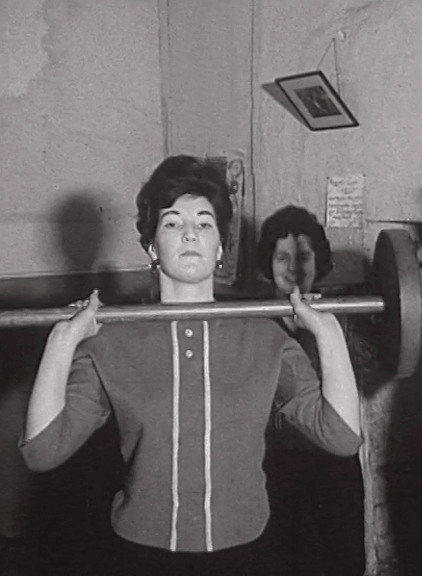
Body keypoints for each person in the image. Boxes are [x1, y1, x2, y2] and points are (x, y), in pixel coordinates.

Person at [19, 156, 362, 576]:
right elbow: (42, 452)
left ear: (219, 247)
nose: (189, 233)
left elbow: (341, 438)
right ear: (151, 246)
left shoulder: (266, 338)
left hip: (247, 555)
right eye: (171, 223)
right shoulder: (111, 342)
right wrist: (62, 340)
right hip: (139, 557)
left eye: (204, 223)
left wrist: (328, 333)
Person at [256, 205, 367, 576]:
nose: (293, 268)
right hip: (270, 465)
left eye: (304, 257)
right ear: (268, 262)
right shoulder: (250, 322)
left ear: (319, 262)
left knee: (341, 562)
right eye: (282, 258)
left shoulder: (342, 321)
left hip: (333, 465)